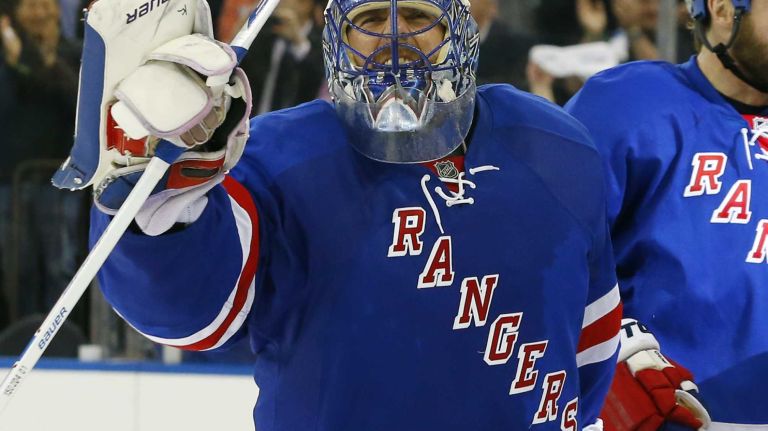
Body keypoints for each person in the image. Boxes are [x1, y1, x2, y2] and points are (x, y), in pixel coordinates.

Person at [69, 0, 622, 428]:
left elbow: (590, 352)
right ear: (338, 35)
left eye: (418, 16)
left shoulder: (556, 144)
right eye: (370, 19)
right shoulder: (273, 158)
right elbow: (187, 315)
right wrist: (157, 191)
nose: (395, 39)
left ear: (459, 27)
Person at [566, 0, 768, 429]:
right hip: (674, 413)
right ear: (724, 8)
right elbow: (544, 261)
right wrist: (613, 352)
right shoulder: (628, 105)